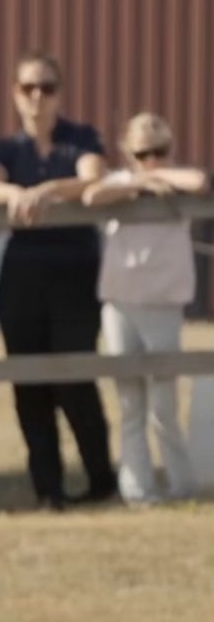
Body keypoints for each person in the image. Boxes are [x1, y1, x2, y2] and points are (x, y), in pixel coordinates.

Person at [0, 51, 115, 510]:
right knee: (28, 380)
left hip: (75, 270)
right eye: (29, 87)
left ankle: (100, 481)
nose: (38, 96)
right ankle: (48, 489)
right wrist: (15, 191)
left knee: (76, 377)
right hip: (23, 275)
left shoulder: (81, 137)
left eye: (47, 87)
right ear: (16, 94)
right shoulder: (7, 149)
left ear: (60, 93)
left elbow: (92, 177)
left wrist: (44, 190)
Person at [83, 113, 208, 504]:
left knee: (164, 407)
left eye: (160, 151)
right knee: (130, 404)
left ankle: (182, 483)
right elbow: (92, 196)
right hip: (120, 303)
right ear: (128, 153)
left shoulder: (178, 183)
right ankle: (138, 489)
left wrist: (163, 176)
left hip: (163, 304)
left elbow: (200, 182)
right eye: (142, 153)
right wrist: (139, 182)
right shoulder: (121, 183)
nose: (151, 159)